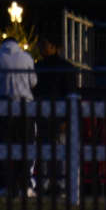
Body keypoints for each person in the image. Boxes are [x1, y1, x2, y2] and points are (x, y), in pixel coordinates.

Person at [0, 37, 37, 197]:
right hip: (25, 106)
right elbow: (33, 82)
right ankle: (25, 184)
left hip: (4, 107)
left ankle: (5, 185)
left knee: (3, 145)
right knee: (26, 145)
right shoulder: (27, 57)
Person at [34, 38, 77, 196]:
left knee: (44, 149)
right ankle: (61, 184)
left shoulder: (38, 67)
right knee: (61, 150)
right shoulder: (67, 67)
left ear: (53, 46)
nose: (40, 47)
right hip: (60, 112)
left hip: (44, 112)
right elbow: (71, 92)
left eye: (43, 44)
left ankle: (44, 183)